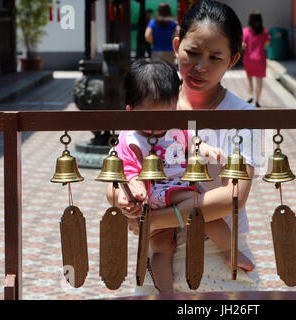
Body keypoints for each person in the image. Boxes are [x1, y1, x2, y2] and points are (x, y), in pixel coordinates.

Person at [114, 0, 261, 295]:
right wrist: (121, 199)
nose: (200, 66)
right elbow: (120, 168)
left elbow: (234, 196)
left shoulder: (244, 117)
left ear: (233, 60)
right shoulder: (150, 102)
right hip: (159, 253)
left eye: (215, 57)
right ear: (177, 44)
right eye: (192, 53)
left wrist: (154, 218)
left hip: (221, 258)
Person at [242, 11, 270, 108]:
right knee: (259, 81)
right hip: (260, 59)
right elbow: (268, 44)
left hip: (248, 58)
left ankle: (250, 95)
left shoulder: (245, 31)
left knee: (249, 78)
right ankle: (257, 100)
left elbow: (243, 45)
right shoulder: (264, 31)